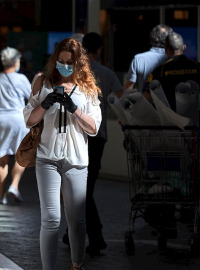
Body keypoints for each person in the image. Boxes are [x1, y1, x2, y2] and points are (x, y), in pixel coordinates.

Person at [24, 38, 102, 270]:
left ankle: (77, 265)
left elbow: (94, 128)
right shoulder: (42, 82)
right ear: (55, 60)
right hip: (47, 158)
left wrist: (74, 109)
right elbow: (29, 120)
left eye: (69, 62)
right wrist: (46, 103)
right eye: (61, 61)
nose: (64, 65)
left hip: (76, 161)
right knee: (50, 220)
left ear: (79, 64)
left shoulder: (88, 89)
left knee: (76, 221)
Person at [62, 32, 124, 256]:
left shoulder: (75, 73)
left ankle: (93, 235)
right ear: (100, 49)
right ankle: (75, 232)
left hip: (77, 135)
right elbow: (120, 100)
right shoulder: (107, 74)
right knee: (85, 187)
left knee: (79, 189)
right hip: (98, 136)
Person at [0, 47, 32, 204]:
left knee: (2, 159)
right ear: (16, 62)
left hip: (0, 120)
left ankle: (2, 195)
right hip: (18, 119)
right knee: (21, 156)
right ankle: (14, 186)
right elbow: (32, 98)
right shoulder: (21, 79)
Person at [146, 32, 200, 112]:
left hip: (169, 121)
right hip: (194, 121)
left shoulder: (159, 70)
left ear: (165, 49)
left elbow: (146, 99)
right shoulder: (198, 67)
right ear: (184, 48)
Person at [123, 24, 173, 91]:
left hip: (144, 100)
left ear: (152, 38)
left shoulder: (138, 59)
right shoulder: (174, 58)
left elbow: (128, 89)